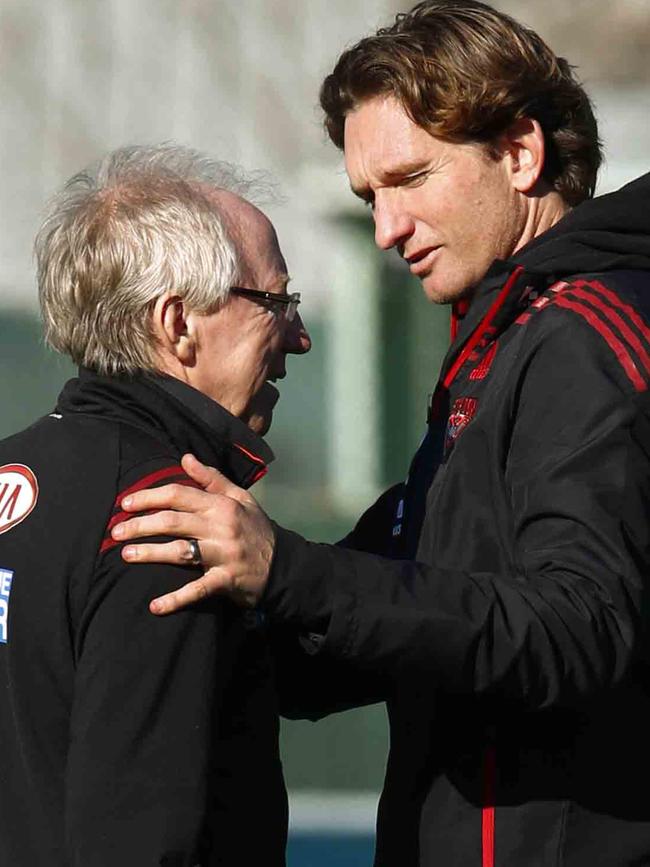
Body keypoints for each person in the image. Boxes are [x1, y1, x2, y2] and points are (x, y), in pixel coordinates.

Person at [114, 3, 650, 865]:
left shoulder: (581, 337)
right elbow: (377, 627)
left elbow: (578, 627)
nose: (385, 229)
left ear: (520, 154)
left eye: (409, 179)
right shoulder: (500, 345)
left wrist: (286, 570)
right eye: (370, 196)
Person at [0, 144, 310, 866]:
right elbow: (140, 835)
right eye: (276, 303)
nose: (297, 336)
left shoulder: (20, 472)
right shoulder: (167, 514)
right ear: (177, 324)